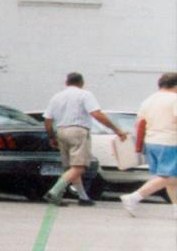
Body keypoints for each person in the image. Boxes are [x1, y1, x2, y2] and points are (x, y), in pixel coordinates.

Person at [42, 71, 126, 206]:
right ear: (82, 83)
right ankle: (54, 192)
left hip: (61, 130)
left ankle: (83, 197)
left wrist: (51, 136)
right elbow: (96, 114)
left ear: (66, 83)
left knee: (71, 167)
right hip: (78, 130)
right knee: (79, 167)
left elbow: (47, 119)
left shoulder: (56, 97)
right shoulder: (85, 94)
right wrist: (116, 130)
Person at [121, 71, 177, 218]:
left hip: (152, 141)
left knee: (167, 178)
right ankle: (134, 197)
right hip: (170, 141)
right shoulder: (174, 99)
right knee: (169, 177)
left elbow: (139, 123)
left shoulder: (149, 100)